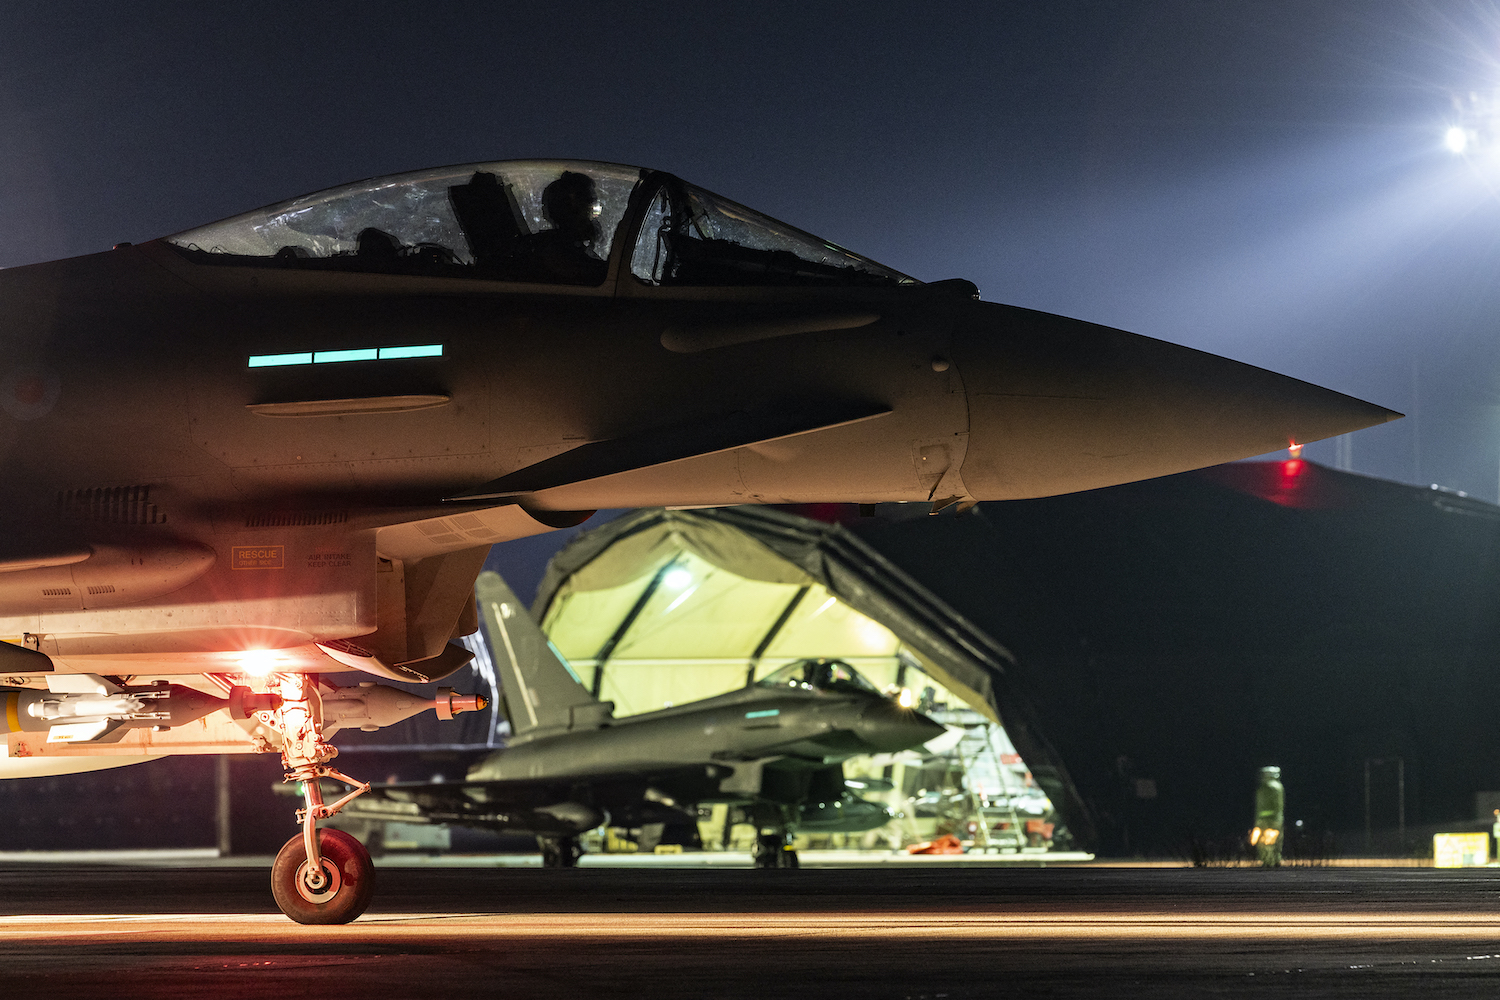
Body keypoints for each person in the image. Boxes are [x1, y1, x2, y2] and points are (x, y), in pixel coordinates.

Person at [506, 171, 608, 285]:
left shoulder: (543, 245)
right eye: (590, 202)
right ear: (573, 209)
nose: (595, 213)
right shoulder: (556, 253)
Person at [1250, 765, 1285, 867]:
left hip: (1265, 820)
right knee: (1276, 841)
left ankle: (1268, 861)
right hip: (1277, 819)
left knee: (1265, 841)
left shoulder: (1266, 787)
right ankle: (1276, 859)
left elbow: (1261, 805)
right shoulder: (1279, 787)